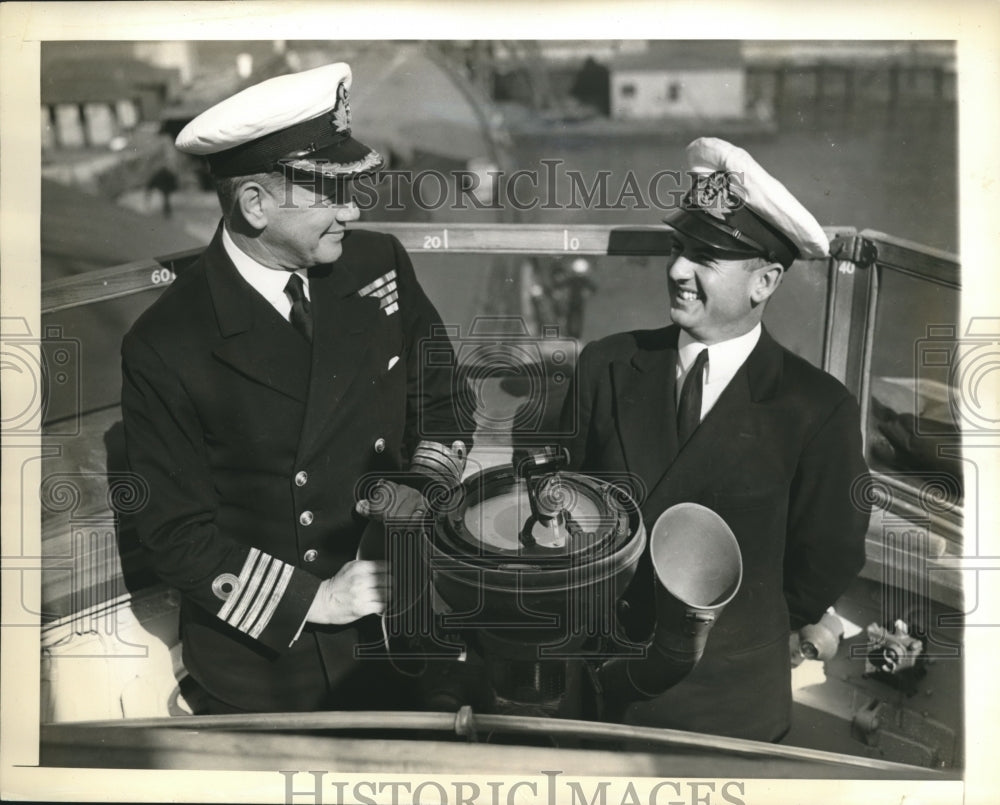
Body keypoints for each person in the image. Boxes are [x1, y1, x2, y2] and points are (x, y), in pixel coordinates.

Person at [121, 63, 471, 714]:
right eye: (328, 193)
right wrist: (316, 599)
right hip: (272, 666)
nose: (354, 209)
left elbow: (445, 399)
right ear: (255, 205)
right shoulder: (167, 345)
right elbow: (175, 533)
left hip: (401, 622)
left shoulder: (376, 266)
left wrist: (417, 493)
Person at [560, 138, 871, 742]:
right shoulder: (606, 365)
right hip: (598, 688)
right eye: (679, 248)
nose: (677, 270)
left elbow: (827, 556)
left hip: (724, 707)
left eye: (706, 257)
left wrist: (742, 626)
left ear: (764, 282)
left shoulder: (816, 408)